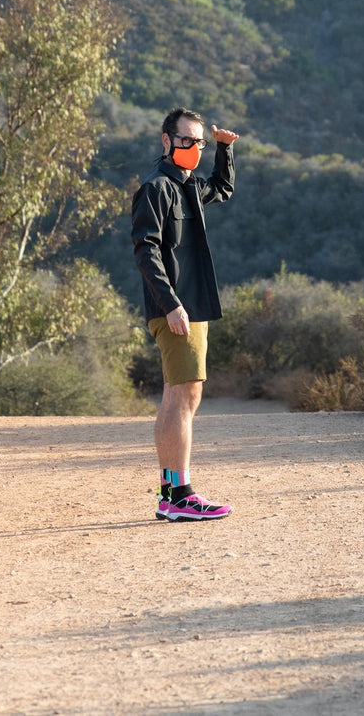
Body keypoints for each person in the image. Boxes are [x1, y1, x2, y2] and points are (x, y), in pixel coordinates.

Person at [131, 107, 239, 521]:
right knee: (184, 396)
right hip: (177, 309)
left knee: (176, 397)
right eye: (186, 141)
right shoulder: (155, 189)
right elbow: (146, 252)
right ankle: (181, 496)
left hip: (191, 307)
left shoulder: (188, 186)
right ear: (166, 141)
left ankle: (169, 493)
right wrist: (171, 303)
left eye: (200, 142)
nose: (194, 148)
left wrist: (225, 150)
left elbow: (222, 188)